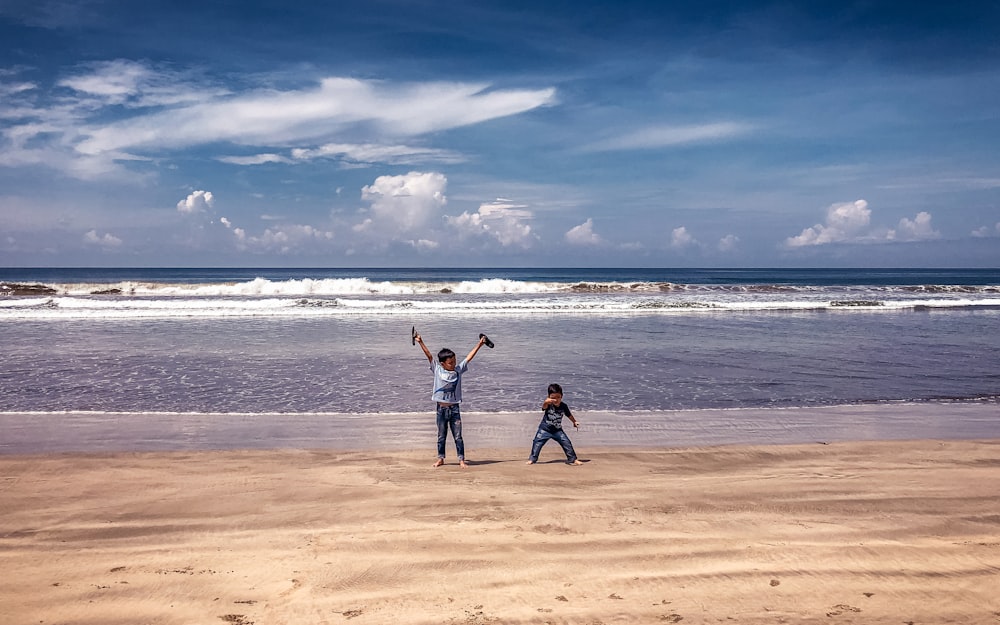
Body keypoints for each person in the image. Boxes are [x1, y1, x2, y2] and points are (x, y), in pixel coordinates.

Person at [414, 331, 489, 468]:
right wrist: (420, 341)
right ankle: (440, 458)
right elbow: (429, 355)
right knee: (441, 436)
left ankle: (461, 459)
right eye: (450, 363)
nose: (453, 364)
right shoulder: (437, 369)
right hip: (441, 409)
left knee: (458, 436)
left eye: (454, 361)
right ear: (442, 364)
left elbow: (468, 358)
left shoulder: (458, 370)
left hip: (454, 409)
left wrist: (480, 344)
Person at [526, 383, 583, 466]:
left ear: (562, 396)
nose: (556, 400)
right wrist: (546, 402)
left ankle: (573, 459)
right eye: (553, 398)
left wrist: (574, 422)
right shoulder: (549, 404)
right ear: (549, 397)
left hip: (557, 430)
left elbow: (569, 415)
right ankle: (532, 459)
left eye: (558, 397)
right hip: (544, 429)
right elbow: (544, 407)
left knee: (566, 443)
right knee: (537, 443)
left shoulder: (564, 406)